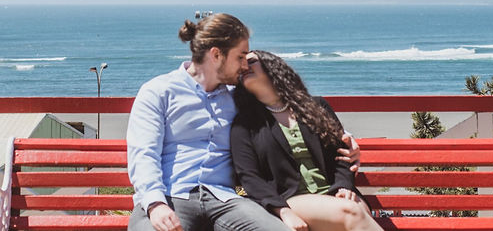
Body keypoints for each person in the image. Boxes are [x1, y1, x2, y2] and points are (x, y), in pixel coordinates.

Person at [127, 14, 358, 231]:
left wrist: (344, 136)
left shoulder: (239, 96)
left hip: (225, 200)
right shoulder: (158, 92)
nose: (245, 65)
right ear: (216, 55)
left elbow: (286, 112)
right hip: (171, 196)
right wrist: (155, 205)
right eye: (240, 56)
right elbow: (143, 154)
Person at [231, 51, 381, 231]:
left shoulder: (316, 107)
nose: (244, 67)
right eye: (240, 66)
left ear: (272, 66)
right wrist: (282, 210)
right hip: (291, 199)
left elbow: (341, 152)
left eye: (251, 61)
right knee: (352, 212)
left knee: (357, 209)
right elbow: (249, 176)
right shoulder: (245, 124)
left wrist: (344, 186)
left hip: (335, 191)